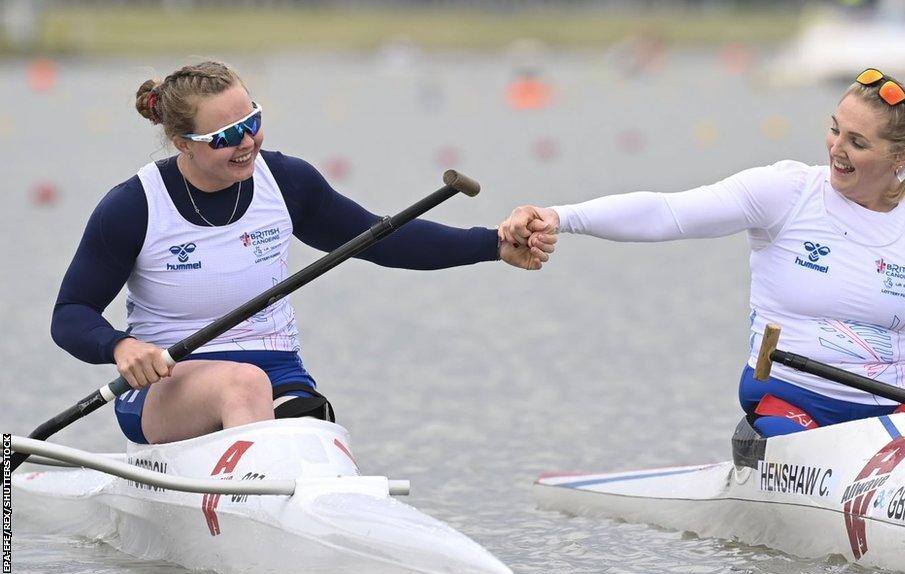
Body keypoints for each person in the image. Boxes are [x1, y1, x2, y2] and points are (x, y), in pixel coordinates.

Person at [52, 61, 555, 445]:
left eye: (253, 120)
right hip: (166, 387)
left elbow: (381, 238)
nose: (247, 141)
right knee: (243, 386)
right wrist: (120, 348)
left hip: (278, 374)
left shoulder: (286, 182)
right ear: (183, 142)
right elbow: (71, 313)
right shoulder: (134, 206)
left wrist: (492, 245)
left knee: (311, 424)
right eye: (226, 136)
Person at [500, 68, 905, 437]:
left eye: (858, 143)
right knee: (787, 434)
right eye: (835, 129)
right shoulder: (786, 194)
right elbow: (669, 212)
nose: (836, 148)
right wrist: (562, 216)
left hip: (894, 415)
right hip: (791, 407)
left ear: (903, 158)